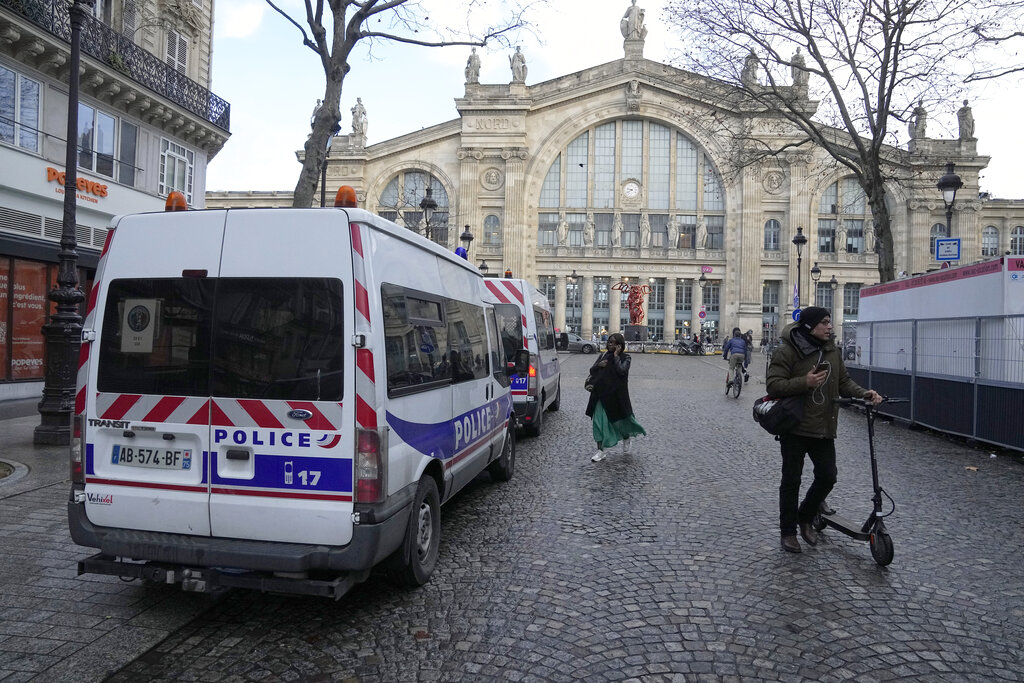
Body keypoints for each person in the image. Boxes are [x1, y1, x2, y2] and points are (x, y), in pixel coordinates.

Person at [766, 307, 882, 554]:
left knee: (828, 477)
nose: (830, 326)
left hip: (823, 427)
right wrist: (804, 382)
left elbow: (844, 382)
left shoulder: (832, 351)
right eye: (825, 322)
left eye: (830, 322)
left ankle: (805, 516)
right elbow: (774, 385)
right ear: (810, 326)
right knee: (791, 482)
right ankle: (788, 532)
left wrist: (865, 394)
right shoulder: (787, 351)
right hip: (795, 426)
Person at [587, 333, 646, 462]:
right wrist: (598, 366)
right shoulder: (602, 356)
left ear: (619, 345)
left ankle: (626, 437)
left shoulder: (626, 358)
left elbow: (622, 371)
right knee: (598, 423)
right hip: (600, 395)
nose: (610, 344)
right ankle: (601, 451)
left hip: (616, 396)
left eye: (613, 342)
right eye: (609, 342)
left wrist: (615, 357)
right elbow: (592, 371)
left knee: (620, 422)